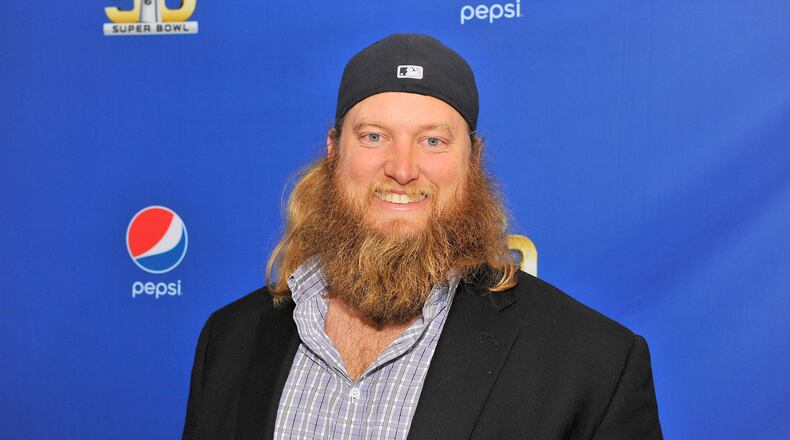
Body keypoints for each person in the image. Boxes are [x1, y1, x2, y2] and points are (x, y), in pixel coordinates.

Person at [182, 33, 663, 440]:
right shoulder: (229, 342)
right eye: (374, 136)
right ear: (333, 150)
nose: (402, 168)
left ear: (472, 160)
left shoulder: (593, 363)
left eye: (433, 140)